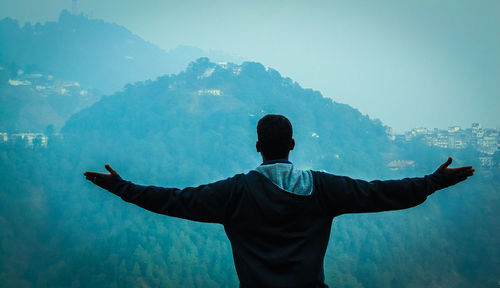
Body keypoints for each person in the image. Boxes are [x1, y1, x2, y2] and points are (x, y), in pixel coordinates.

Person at [84, 114, 474, 288]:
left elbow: (174, 201)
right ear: (292, 145)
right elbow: (382, 193)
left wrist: (123, 188)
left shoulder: (233, 193)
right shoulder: (321, 188)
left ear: (257, 147)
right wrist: (434, 182)